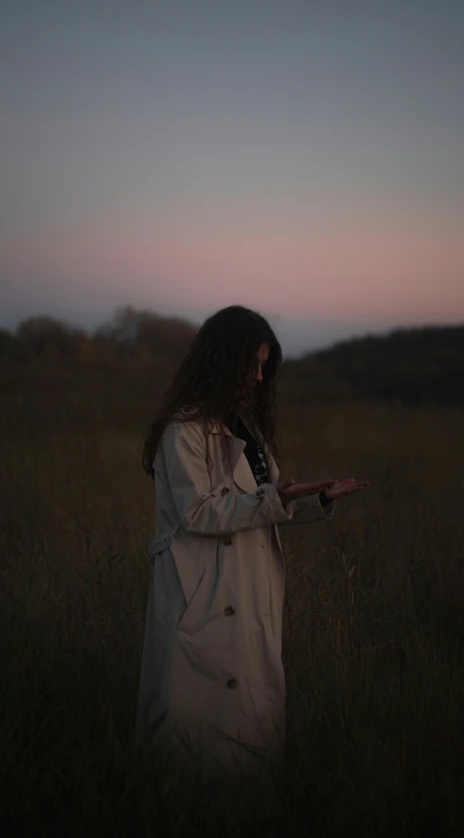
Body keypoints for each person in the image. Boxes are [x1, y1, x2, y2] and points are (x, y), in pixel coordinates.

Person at [135, 305, 369, 807]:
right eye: (254, 363)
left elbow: (262, 509)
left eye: (265, 365)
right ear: (225, 360)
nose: (260, 376)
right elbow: (199, 511)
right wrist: (276, 499)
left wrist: (315, 500)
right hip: (203, 590)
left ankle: (246, 812)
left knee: (248, 725)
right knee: (193, 728)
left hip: (249, 588)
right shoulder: (185, 429)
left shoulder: (247, 429)